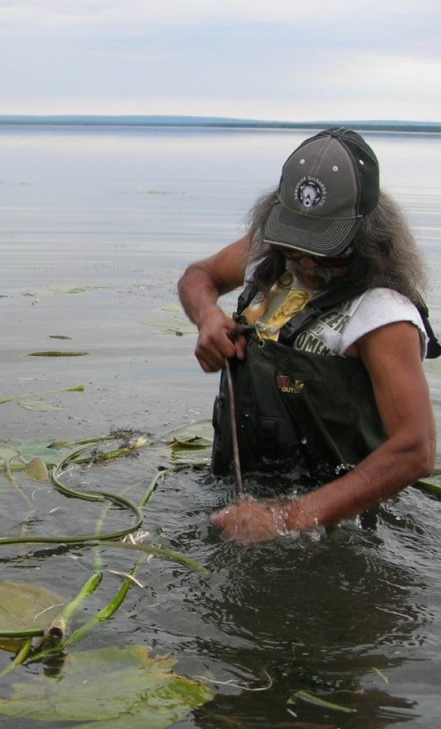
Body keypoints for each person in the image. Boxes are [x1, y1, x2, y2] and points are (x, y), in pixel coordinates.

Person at [178, 127, 438, 544]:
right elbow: (199, 276)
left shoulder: (383, 316)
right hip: (238, 489)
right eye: (297, 249)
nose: (307, 264)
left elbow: (416, 449)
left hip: (337, 526)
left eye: (327, 252)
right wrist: (208, 317)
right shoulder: (272, 253)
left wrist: (288, 519)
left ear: (367, 237)